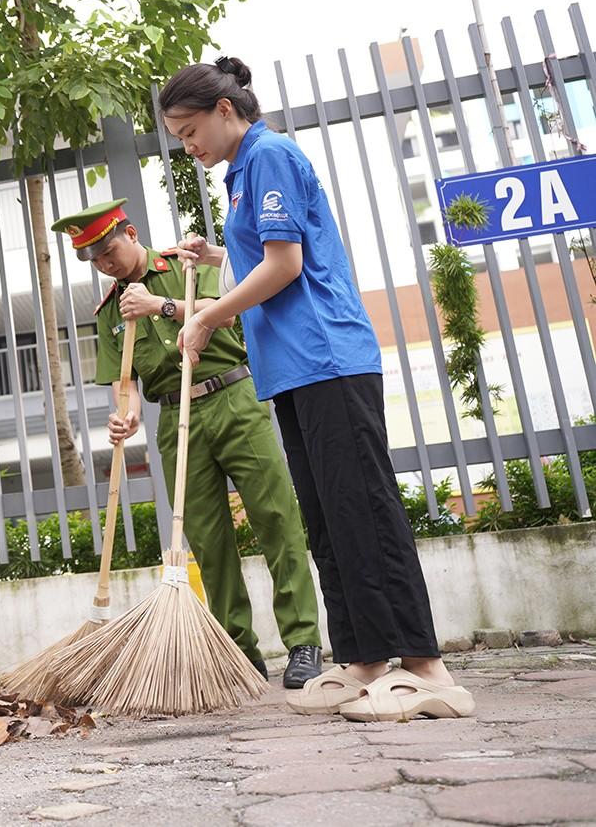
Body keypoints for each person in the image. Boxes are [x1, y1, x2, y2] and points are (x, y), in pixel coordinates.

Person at [165, 57, 474, 721]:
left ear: (224, 111)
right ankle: (363, 656)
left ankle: (425, 666)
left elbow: (286, 264)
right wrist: (218, 258)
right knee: (329, 519)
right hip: (293, 368)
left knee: (363, 508)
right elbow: (265, 255)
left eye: (189, 130)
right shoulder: (243, 176)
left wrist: (206, 316)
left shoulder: (268, 153)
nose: (186, 146)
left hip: (328, 357)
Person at [52, 200, 323, 689]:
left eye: (108, 250)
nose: (105, 264)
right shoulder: (111, 310)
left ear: (130, 233)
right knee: (207, 540)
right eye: (94, 260)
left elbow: (233, 303)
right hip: (176, 417)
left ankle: (303, 642)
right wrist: (127, 414)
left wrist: (161, 306)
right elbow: (125, 380)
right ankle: (240, 653)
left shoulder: (185, 265)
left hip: (233, 395)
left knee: (277, 518)